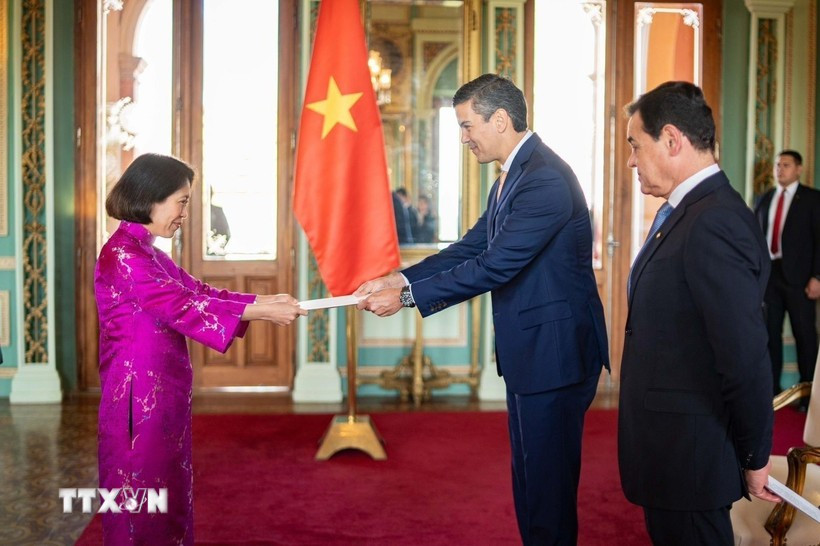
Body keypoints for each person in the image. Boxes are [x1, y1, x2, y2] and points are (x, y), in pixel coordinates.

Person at [356, 73, 609, 544]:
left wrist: (407, 298)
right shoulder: (514, 175)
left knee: (547, 490)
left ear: (499, 119)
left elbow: (495, 266)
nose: (464, 138)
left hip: (555, 355)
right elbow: (471, 246)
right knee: (531, 482)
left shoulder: (545, 179)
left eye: (468, 126)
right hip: (533, 353)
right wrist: (401, 277)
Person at [94, 153, 306, 545]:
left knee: (167, 490)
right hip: (137, 398)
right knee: (140, 496)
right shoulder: (123, 255)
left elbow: (199, 292)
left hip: (162, 393)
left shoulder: (149, 253)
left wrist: (262, 300)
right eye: (183, 201)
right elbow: (181, 306)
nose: (185, 213)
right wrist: (260, 312)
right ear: (151, 197)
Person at [619, 81, 779, 545]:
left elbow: (745, 355)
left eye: (635, 145)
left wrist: (755, 456)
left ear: (672, 140)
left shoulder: (714, 221)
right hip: (671, 446)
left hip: (690, 452)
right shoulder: (685, 210)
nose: (631, 160)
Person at [754, 150, 820, 404]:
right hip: (770, 277)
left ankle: (808, 398)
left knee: (805, 336)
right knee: (769, 336)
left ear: (799, 169)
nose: (780, 169)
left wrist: (817, 276)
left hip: (802, 279)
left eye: (786, 165)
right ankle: (773, 395)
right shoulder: (764, 198)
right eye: (777, 165)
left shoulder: (813, 199)